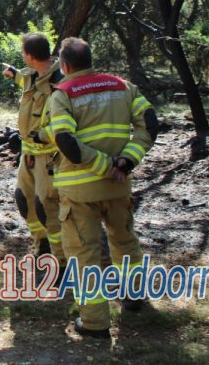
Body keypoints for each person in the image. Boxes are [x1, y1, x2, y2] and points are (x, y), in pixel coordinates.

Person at [46, 37, 158, 338]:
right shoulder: (123, 87)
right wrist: (125, 162)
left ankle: (94, 322)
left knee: (84, 254)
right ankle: (134, 294)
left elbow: (65, 141)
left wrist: (103, 165)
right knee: (125, 241)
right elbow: (150, 123)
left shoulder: (62, 94)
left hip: (80, 191)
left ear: (65, 65)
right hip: (118, 188)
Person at [2, 33, 66, 269]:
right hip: (27, 154)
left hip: (48, 155)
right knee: (24, 200)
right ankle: (42, 244)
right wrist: (12, 73)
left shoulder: (60, 79)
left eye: (22, 54)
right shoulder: (31, 76)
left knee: (45, 206)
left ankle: (60, 260)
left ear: (29, 56)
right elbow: (25, 81)